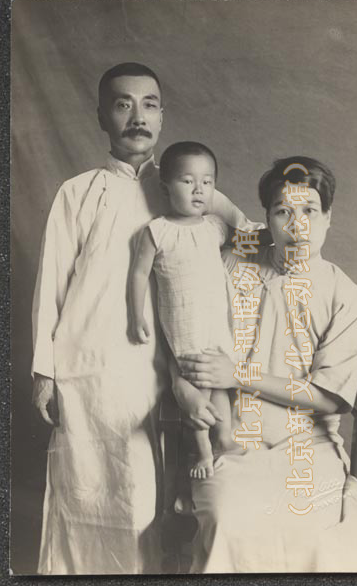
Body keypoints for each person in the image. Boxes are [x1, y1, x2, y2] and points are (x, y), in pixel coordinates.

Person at [31, 62, 262, 574]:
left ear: (162, 116)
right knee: (88, 490)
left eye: (149, 104)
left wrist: (229, 248)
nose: (137, 116)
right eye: (123, 104)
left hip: (169, 368)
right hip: (91, 368)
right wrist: (44, 374)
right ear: (102, 117)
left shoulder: (186, 187)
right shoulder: (79, 192)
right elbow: (50, 285)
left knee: (156, 497)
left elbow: (248, 243)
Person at [174, 156, 357, 572]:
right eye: (283, 211)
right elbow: (181, 321)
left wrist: (239, 375)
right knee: (229, 521)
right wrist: (181, 384)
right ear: (266, 219)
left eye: (310, 211)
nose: (297, 225)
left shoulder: (345, 295)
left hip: (308, 446)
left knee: (313, 532)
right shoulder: (232, 264)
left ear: (328, 218)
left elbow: (328, 398)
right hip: (230, 441)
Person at [130, 141, 240, 480]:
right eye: (188, 181)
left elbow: (244, 237)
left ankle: (224, 438)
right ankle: (203, 450)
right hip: (185, 322)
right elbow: (139, 274)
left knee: (220, 385)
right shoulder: (158, 231)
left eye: (207, 182)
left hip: (216, 322)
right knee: (198, 384)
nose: (199, 189)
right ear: (166, 188)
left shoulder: (214, 226)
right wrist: (136, 314)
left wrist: (244, 247)